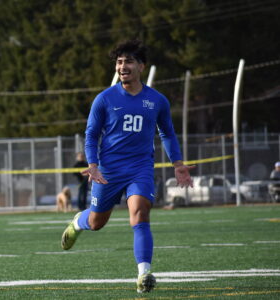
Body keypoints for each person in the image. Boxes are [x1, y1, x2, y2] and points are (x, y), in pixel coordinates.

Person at [60, 40, 194, 294]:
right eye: (119, 62)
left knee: (140, 213)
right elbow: (91, 135)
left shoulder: (157, 100)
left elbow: (167, 133)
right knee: (97, 222)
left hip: (140, 168)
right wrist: (93, 165)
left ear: (141, 66)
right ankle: (79, 222)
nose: (123, 66)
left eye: (129, 61)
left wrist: (178, 163)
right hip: (108, 171)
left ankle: (144, 274)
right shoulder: (104, 99)